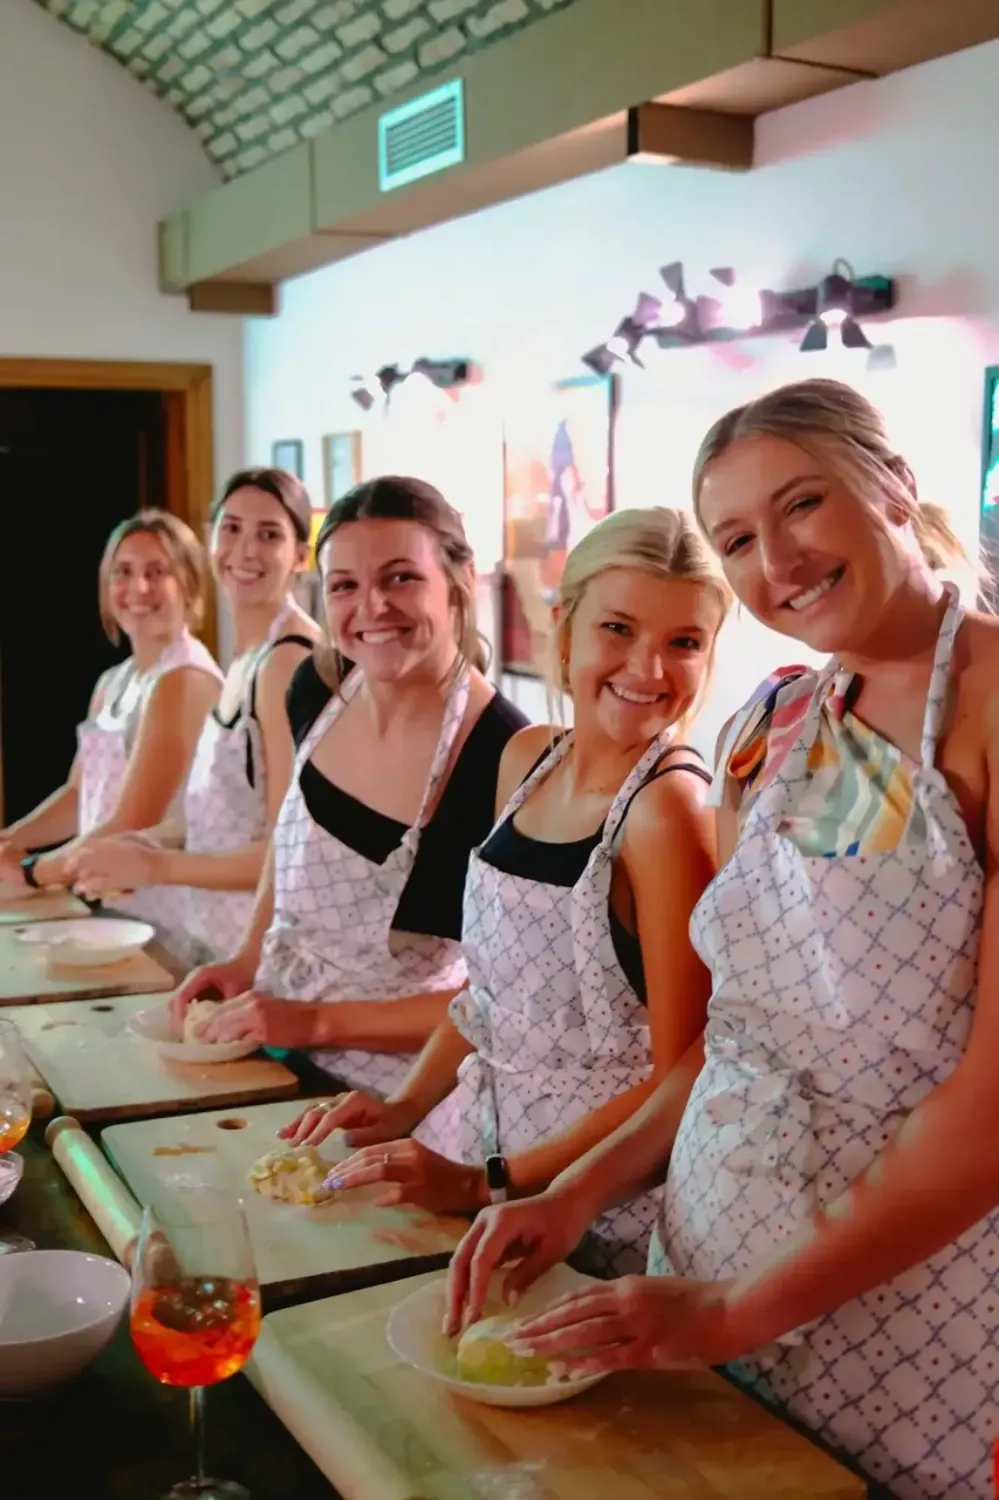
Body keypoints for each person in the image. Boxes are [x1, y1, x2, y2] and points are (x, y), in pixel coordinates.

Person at [443, 378, 999, 1500]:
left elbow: (986, 1120)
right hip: (696, 1252)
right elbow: (724, 1038)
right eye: (738, 537)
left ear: (893, 484)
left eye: (803, 505)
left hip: (894, 1298)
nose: (775, 560)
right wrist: (576, 1194)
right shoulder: (782, 720)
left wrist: (743, 1309)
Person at [281, 508, 726, 1275]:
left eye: (682, 643)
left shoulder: (665, 811)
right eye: (617, 629)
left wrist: (493, 1182)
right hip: (481, 1163)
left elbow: (676, 1077)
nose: (647, 670)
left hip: (595, 1213)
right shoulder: (527, 759)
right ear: (564, 627)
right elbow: (485, 995)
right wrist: (404, 1109)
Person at [170, 476, 528, 1096]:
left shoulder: (503, 756)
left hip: (399, 1104)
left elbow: (503, 1004)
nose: (372, 608)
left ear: (460, 577)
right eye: (345, 586)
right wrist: (247, 960)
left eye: (400, 578)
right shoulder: (319, 686)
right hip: (273, 1061)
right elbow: (287, 858)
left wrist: (311, 1021)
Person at [72, 470, 321, 962]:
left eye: (268, 534)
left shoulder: (288, 661)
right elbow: (214, 814)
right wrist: (135, 847)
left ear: (300, 554)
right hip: (215, 939)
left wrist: (155, 866)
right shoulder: (247, 654)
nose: (245, 551)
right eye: (231, 529)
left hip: (263, 956)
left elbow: (286, 852)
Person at [0, 511, 222, 955]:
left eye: (157, 572)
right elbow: (78, 794)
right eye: (123, 572)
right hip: (111, 907)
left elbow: (131, 821)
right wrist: (11, 840)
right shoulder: (114, 682)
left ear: (190, 586)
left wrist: (30, 870)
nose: (138, 588)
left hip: (168, 918)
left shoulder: (184, 680)